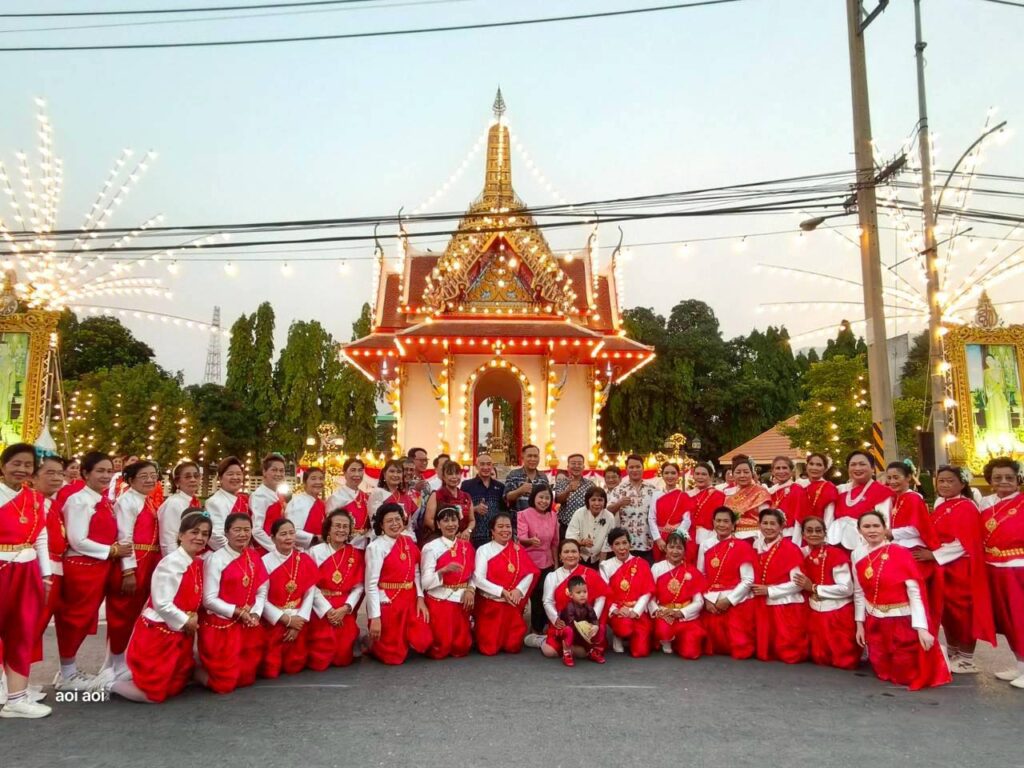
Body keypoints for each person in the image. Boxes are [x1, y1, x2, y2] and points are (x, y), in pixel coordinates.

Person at [106, 510, 210, 704]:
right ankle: (109, 684)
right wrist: (186, 620)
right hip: (160, 633)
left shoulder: (195, 562)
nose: (200, 537)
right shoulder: (171, 563)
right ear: (181, 535)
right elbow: (162, 603)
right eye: (194, 532)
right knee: (153, 695)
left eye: (205, 534)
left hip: (180, 632)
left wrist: (192, 617)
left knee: (175, 686)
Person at [55, 451, 129, 691]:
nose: (106, 475)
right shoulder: (79, 501)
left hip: (98, 567)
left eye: (109, 471)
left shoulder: (102, 500)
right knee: (74, 620)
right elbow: (77, 540)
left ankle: (69, 670)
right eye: (100, 471)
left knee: (84, 619)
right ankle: (66, 674)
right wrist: (113, 550)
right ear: (85, 473)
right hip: (82, 568)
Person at [853, 511, 950, 690]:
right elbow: (859, 592)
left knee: (904, 676)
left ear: (885, 528)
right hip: (874, 618)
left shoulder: (900, 552)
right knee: (883, 671)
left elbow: (915, 592)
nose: (872, 530)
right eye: (866, 526)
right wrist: (860, 624)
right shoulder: (857, 554)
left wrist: (922, 629)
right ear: (859, 530)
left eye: (876, 526)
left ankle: (938, 654)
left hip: (901, 618)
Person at [0, 443, 51, 718]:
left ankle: (16, 699)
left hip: (27, 570)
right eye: (16, 463)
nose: (21, 469)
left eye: (28, 465)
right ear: (3, 466)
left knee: (23, 632)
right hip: (2, 568)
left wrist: (46, 575)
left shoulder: (35, 498)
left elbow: (41, 536)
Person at [102, 460, 162, 686]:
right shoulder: (127, 501)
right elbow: (124, 536)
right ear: (130, 480)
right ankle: (116, 664)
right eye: (144, 476)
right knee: (121, 614)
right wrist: (128, 571)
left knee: (134, 613)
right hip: (133, 562)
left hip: (146, 562)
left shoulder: (146, 500)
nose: (150, 480)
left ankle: (118, 662)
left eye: (153, 475)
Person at [931, 465, 996, 674]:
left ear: (962, 484)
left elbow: (965, 542)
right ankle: (953, 651)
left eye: (950, 481)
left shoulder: (966, 506)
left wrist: (934, 555)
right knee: (948, 611)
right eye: (941, 481)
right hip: (945, 567)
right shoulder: (942, 505)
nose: (945, 485)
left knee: (964, 612)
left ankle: (967, 658)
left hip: (960, 567)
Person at [198, 513, 269, 694]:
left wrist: (255, 613)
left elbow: (262, 589)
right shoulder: (215, 559)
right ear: (226, 533)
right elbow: (208, 600)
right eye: (237, 530)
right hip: (222, 625)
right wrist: (237, 612)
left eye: (246, 530)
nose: (242, 534)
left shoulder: (253, 556)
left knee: (246, 679)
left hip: (247, 623)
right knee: (223, 685)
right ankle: (195, 673)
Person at [364, 502, 432, 665]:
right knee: (393, 657)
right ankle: (373, 644)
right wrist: (375, 617)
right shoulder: (376, 547)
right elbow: (371, 585)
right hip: (388, 600)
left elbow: (416, 572)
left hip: (410, 599)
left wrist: (420, 598)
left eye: (397, 519)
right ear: (381, 525)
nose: (395, 524)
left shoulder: (408, 541)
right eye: (389, 521)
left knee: (424, 641)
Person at [980, 457, 1024, 688]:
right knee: (1006, 620)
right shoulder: (986, 504)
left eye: (1009, 477)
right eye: (998, 478)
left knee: (1020, 617)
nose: (1004, 481)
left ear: (1018, 479)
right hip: (993, 567)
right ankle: (1020, 664)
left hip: (1018, 568)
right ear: (990, 481)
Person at [793, 516, 858, 670]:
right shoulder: (801, 553)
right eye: (809, 531)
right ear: (803, 535)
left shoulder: (836, 554)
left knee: (843, 661)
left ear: (825, 533)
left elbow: (846, 589)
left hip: (837, 613)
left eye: (818, 531)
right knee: (819, 658)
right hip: (815, 612)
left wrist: (814, 588)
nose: (814, 534)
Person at [885, 460, 943, 627]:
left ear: (908, 477)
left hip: (912, 551)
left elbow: (917, 528)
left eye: (896, 477)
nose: (892, 481)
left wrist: (890, 533)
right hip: (900, 549)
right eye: (889, 478)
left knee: (914, 593)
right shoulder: (898, 498)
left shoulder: (913, 498)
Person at [472, 511, 538, 655]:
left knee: (513, 647)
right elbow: (478, 579)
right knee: (489, 649)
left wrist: (518, 590)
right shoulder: (484, 550)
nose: (505, 530)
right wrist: (501, 591)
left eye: (508, 526)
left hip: (511, 606)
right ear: (492, 531)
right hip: (491, 606)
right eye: (500, 526)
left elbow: (530, 573)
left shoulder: (518, 549)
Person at [259, 519, 318, 678]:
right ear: (273, 538)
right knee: (270, 670)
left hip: (299, 620)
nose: (288, 538)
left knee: (295, 666)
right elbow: (261, 597)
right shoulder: (264, 562)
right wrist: (285, 619)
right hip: (274, 621)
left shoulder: (304, 559)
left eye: (291, 533)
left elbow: (310, 592)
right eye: (283, 534)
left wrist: (298, 621)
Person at [308, 510, 364, 670]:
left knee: (343, 657)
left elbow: (359, 587)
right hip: (321, 608)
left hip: (344, 608)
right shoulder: (315, 552)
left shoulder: (355, 554)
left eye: (345, 527)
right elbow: (311, 585)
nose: (341, 530)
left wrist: (345, 608)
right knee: (319, 659)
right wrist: (328, 610)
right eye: (337, 526)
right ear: (328, 528)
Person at [750, 509, 808, 664]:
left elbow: (798, 584)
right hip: (762, 603)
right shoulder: (756, 546)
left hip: (785, 605)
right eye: (765, 523)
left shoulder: (790, 548)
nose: (768, 527)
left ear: (781, 526)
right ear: (759, 525)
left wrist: (769, 590)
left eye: (773, 524)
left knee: (788, 653)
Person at [698, 507, 756, 659]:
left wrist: (729, 600)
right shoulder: (705, 544)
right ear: (713, 522)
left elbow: (748, 579)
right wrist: (707, 600)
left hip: (735, 599)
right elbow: (701, 575)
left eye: (726, 521)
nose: (722, 525)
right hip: (712, 600)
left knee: (741, 649)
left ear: (733, 524)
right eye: (718, 521)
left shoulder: (742, 546)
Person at [420, 505, 476, 659]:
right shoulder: (431, 548)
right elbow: (425, 583)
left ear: (459, 523)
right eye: (445, 521)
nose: (450, 524)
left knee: (461, 647)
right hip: (440, 599)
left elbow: (474, 574)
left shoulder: (466, 546)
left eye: (453, 520)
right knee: (441, 648)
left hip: (462, 599)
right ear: (438, 524)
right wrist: (442, 571)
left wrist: (470, 590)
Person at [540, 539, 608, 663]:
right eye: (566, 552)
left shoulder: (590, 573)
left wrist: (593, 620)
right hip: (562, 623)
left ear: (579, 554)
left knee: (581, 654)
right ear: (560, 556)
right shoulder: (552, 576)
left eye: (574, 551)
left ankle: (568, 647)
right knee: (550, 652)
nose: (570, 555)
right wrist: (556, 619)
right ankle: (541, 640)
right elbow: (547, 601)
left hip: (584, 624)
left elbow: (601, 596)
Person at [31, 453, 67, 674]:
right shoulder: (32, 502)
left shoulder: (52, 504)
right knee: (28, 626)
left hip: (55, 569)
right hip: (38, 570)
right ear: (34, 477)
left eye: (60, 474)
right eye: (50, 473)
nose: (57, 478)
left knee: (39, 625)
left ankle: (19, 682)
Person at [649, 531, 706, 658]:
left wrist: (681, 612)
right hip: (664, 613)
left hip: (685, 616)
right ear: (666, 549)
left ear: (684, 551)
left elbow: (699, 601)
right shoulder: (657, 568)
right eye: (672, 547)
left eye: (679, 548)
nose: (675, 551)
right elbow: (650, 596)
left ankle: (680, 639)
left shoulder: (692, 571)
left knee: (691, 653)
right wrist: (659, 611)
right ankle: (668, 639)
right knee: (663, 631)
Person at [600, 526, 654, 656]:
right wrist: (616, 610)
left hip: (637, 611)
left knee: (640, 652)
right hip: (618, 611)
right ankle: (618, 635)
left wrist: (636, 611)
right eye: (617, 544)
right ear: (611, 547)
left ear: (630, 544)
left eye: (624, 542)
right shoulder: (605, 566)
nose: (621, 547)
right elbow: (604, 593)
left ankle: (633, 636)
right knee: (624, 628)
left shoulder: (642, 563)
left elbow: (648, 591)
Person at [517, 483, 559, 643]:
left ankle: (539, 629)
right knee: (531, 596)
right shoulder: (523, 514)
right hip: (528, 562)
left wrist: (556, 564)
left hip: (547, 561)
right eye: (541, 497)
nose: (544, 501)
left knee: (544, 595)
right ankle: (527, 628)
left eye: (547, 498)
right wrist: (530, 541)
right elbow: (521, 538)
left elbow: (555, 542)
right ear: (534, 497)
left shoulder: (553, 515)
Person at [830, 450, 893, 551]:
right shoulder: (839, 490)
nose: (857, 468)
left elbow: (884, 525)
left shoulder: (881, 492)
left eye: (862, 464)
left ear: (872, 468)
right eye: (853, 464)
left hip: (867, 549)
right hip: (836, 547)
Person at [607, 454, 657, 561]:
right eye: (631, 467)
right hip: (625, 546)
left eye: (638, 467)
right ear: (626, 469)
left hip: (648, 543)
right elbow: (608, 511)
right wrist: (619, 503)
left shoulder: (653, 490)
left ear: (643, 468)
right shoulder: (619, 489)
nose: (635, 470)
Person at [553, 575, 603, 667]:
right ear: (571, 595)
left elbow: (594, 618)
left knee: (601, 627)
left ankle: (593, 651)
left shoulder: (588, 606)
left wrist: (595, 626)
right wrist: (584, 628)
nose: (582, 595)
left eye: (585, 592)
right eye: (578, 592)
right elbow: (571, 623)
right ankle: (567, 653)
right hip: (569, 631)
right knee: (568, 630)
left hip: (581, 631)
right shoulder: (569, 607)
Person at [461, 452, 507, 551]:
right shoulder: (467, 485)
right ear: (476, 466)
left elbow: (504, 511)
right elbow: (460, 510)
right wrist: (474, 509)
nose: (486, 467)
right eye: (482, 464)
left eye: (488, 464)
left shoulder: (500, 487)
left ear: (492, 466)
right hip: (473, 536)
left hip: (496, 536)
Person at [204, 456, 250, 552]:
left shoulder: (244, 499)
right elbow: (215, 535)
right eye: (230, 474)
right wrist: (235, 552)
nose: (235, 477)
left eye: (238, 474)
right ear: (220, 478)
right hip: (225, 555)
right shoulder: (214, 502)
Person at [649, 462, 692, 562]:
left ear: (678, 475)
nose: (670, 476)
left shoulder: (683, 496)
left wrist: (676, 537)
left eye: (673, 473)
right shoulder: (656, 495)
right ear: (662, 475)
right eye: (666, 473)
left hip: (677, 538)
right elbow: (651, 518)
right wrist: (658, 539)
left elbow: (687, 520)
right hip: (660, 538)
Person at [157, 461, 202, 557]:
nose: (193, 479)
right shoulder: (173, 503)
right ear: (177, 482)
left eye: (196, 476)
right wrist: (176, 562)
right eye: (187, 477)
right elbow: (168, 540)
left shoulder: (195, 502)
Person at [723, 455, 771, 541]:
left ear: (752, 473)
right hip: (730, 535)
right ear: (733, 475)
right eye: (738, 472)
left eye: (746, 472)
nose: (742, 475)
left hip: (754, 536)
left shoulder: (760, 492)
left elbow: (766, 518)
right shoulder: (728, 493)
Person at [566, 486, 616, 566]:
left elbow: (607, 543)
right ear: (587, 501)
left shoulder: (609, 517)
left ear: (605, 501)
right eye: (593, 500)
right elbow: (570, 536)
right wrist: (581, 543)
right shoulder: (579, 513)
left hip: (600, 558)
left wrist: (601, 566)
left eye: (600, 500)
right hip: (579, 557)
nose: (597, 503)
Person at [423, 460, 473, 540]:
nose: (454, 477)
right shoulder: (436, 495)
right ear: (443, 477)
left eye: (457, 473)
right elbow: (428, 521)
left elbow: (472, 520)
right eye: (450, 474)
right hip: (441, 539)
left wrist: (468, 531)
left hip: (463, 539)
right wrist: (449, 534)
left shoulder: (466, 496)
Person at [327, 458, 371, 548]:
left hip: (364, 546)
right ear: (345, 473)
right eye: (353, 470)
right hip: (342, 545)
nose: (357, 474)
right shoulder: (336, 497)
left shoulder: (366, 497)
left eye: (360, 470)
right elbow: (330, 525)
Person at [768, 456, 812, 543]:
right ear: (772, 471)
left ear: (792, 471)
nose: (781, 471)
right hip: (770, 536)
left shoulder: (797, 490)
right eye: (778, 468)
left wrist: (795, 543)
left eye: (784, 468)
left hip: (790, 537)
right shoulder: (771, 491)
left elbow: (799, 521)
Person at [371, 459, 419, 537]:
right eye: (392, 471)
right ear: (384, 473)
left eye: (399, 472)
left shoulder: (406, 497)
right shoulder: (378, 493)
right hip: (383, 539)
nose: (395, 475)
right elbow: (375, 522)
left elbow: (409, 525)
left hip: (404, 538)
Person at [249, 454, 286, 553]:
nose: (278, 474)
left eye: (281, 471)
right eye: (274, 470)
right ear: (264, 472)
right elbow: (256, 530)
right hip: (265, 550)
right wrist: (276, 548)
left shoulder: (278, 494)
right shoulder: (259, 496)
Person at [284, 467, 328, 551]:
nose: (318, 482)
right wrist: (315, 538)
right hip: (304, 551)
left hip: (320, 551)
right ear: (305, 482)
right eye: (313, 479)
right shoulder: (299, 502)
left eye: (321, 478)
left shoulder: (320, 503)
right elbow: (292, 531)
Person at [504, 444, 548, 528]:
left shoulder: (543, 477)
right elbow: (507, 497)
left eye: (535, 456)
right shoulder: (513, 475)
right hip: (518, 524)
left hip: (538, 524)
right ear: (522, 457)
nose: (533, 459)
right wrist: (520, 490)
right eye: (529, 456)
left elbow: (547, 499)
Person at [554, 454, 594, 539]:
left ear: (583, 467)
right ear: (568, 467)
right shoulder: (561, 482)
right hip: (565, 526)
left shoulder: (590, 485)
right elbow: (557, 500)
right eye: (573, 463)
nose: (576, 466)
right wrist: (567, 491)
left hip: (584, 526)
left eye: (579, 463)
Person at [688, 462, 726, 547]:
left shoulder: (719, 495)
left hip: (709, 537)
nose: (700, 477)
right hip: (688, 537)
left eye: (704, 474)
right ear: (693, 476)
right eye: (697, 474)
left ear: (711, 476)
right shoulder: (688, 495)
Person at [803, 452, 839, 522]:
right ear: (806, 466)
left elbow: (829, 517)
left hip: (819, 527)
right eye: (811, 464)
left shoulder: (829, 488)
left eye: (819, 465)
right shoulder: (799, 484)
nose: (814, 468)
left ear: (825, 469)